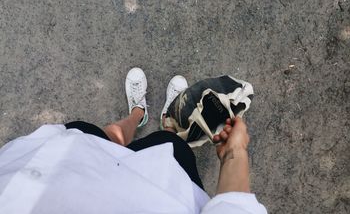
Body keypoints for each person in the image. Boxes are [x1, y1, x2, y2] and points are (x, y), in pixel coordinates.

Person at [0, 68, 267, 213]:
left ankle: (137, 114)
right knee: (170, 146)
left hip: (52, 163)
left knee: (104, 137)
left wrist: (235, 151)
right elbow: (234, 207)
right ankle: (169, 123)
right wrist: (235, 151)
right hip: (163, 188)